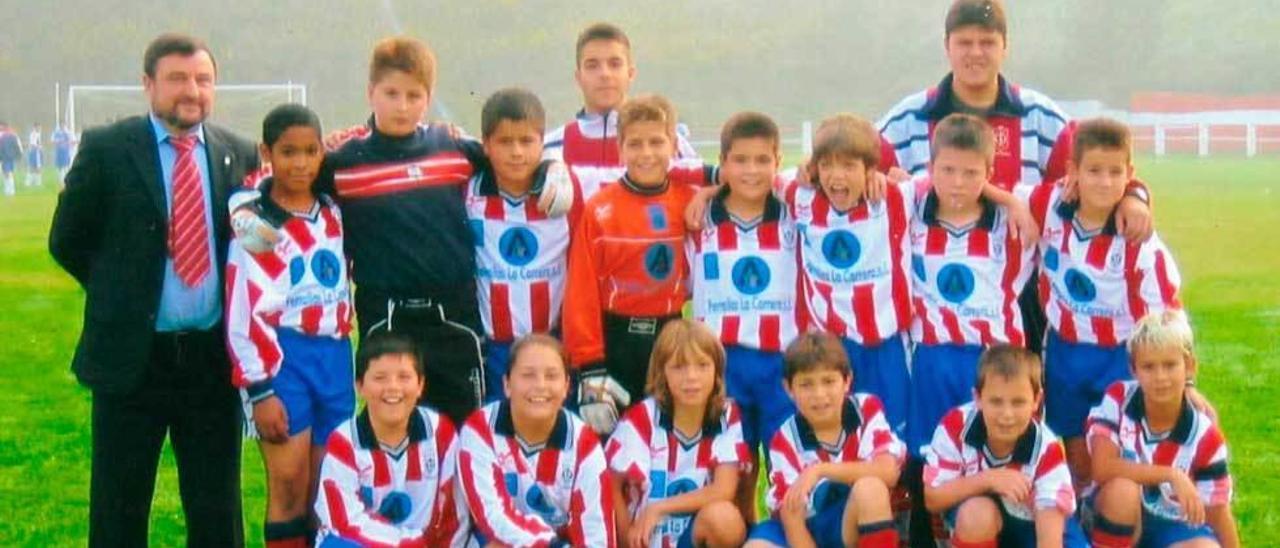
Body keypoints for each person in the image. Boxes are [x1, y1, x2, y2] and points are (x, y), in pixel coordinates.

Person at [48, 33, 258, 547]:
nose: (192, 90)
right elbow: (67, 239)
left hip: (210, 362)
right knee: (119, 509)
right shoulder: (108, 149)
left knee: (216, 509)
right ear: (148, 85)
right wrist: (122, 294)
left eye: (203, 79)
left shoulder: (239, 153)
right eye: (178, 78)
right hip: (131, 362)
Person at [1028, 118, 1185, 488]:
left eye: (1115, 173)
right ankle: (1085, 510)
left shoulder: (1139, 241)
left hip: (1118, 354)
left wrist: (1186, 383)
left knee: (1118, 449)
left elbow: (1166, 313)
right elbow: (995, 191)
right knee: (1076, 447)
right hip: (1065, 350)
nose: (1104, 181)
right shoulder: (1048, 204)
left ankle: (1122, 517)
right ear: (1072, 172)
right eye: (1093, 170)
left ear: (1129, 175)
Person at [226, 104, 353, 547]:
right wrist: (260, 390)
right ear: (267, 153)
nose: (300, 162)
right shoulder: (255, 223)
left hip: (335, 356)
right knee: (288, 485)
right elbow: (243, 308)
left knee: (329, 483)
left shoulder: (334, 212)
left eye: (310, 151)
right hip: (283, 359)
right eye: (287, 152)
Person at [562, 94, 716, 435]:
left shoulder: (688, 200)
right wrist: (589, 368)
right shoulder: (600, 208)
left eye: (656, 142)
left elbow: (748, 183)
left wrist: (706, 193)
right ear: (620, 148)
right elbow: (581, 292)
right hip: (615, 339)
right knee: (610, 446)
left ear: (674, 145)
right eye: (635, 144)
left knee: (667, 442)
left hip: (670, 336)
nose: (646, 153)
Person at [688, 111, 799, 517]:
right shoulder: (700, 219)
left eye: (762, 160)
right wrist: (704, 192)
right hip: (723, 363)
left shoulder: (794, 212)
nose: (752, 170)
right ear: (723, 164)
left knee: (787, 466)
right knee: (735, 473)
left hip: (781, 361)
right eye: (740, 160)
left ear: (777, 162)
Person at [467, 87, 583, 401]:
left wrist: (556, 165)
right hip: (496, 348)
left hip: (553, 342)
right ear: (487, 145)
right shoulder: (468, 193)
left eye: (527, 141)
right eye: (505, 142)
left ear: (542, 143)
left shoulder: (563, 193)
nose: (516, 152)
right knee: (500, 431)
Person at [1084, 311, 1238, 548]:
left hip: (1175, 524)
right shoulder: (1118, 400)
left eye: (1170, 365)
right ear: (1133, 370)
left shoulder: (1205, 434)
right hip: (1121, 513)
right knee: (1122, 492)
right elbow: (1102, 468)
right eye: (1149, 367)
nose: (1160, 377)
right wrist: (1172, 474)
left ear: (1189, 367)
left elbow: (1217, 511)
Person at [746, 332, 906, 548]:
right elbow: (792, 519)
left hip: (846, 521)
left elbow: (887, 472)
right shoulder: (784, 440)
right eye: (806, 385)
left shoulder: (865, 409)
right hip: (803, 528)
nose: (819, 394)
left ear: (847, 381)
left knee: (871, 488)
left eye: (829, 381)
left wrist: (819, 470)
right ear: (788, 388)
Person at [456, 334, 616, 546]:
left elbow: (597, 537)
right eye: (528, 375)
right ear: (506, 384)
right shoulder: (479, 431)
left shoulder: (585, 446)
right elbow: (492, 517)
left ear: (567, 386)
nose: (540, 385)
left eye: (551, 376)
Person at [922, 345, 1087, 548]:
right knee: (976, 514)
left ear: (1036, 401)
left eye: (1018, 402)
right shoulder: (954, 427)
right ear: (978, 398)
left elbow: (1049, 539)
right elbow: (933, 499)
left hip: (1033, 527)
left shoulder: (1046, 448)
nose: (1007, 414)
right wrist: (990, 479)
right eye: (996, 402)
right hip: (981, 518)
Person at [314, 332, 468, 547]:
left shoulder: (440, 432)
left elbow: (454, 512)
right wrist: (408, 544)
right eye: (380, 378)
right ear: (359, 386)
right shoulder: (344, 443)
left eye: (404, 377)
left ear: (421, 385)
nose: (393, 387)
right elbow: (344, 523)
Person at [607, 319, 749, 548]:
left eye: (702, 365)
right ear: (662, 373)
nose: (691, 377)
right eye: (679, 367)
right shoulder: (641, 417)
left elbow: (724, 489)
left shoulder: (727, 415)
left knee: (725, 520)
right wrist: (624, 541)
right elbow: (612, 484)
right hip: (644, 536)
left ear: (717, 372)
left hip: (689, 536)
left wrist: (660, 507)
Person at [543, 22, 700, 199]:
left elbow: (708, 196)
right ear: (579, 77)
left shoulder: (668, 142)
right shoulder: (551, 148)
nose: (605, 74)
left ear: (631, 73)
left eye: (615, 64)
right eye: (592, 66)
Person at [0, 121, 21, 196]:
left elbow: (16, 145)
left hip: (7, 157)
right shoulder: (9, 134)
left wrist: (18, 154)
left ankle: (10, 191)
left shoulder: (10, 135)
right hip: (5, 157)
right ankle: (8, 190)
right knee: (6, 173)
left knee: (7, 173)